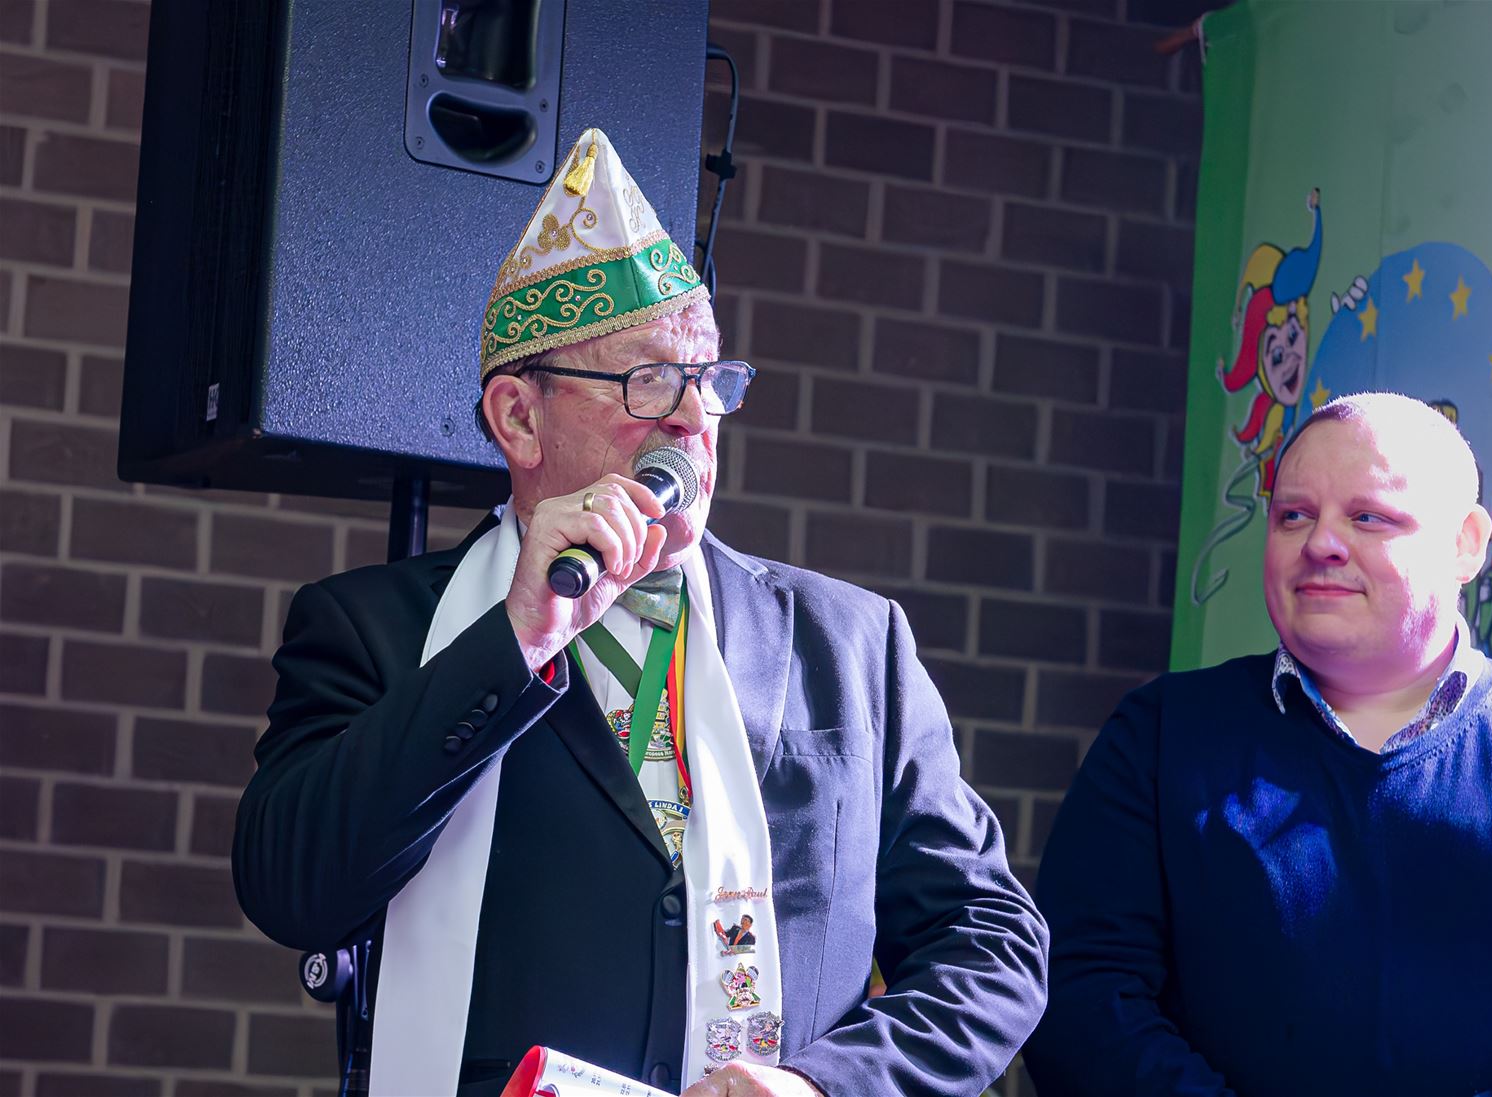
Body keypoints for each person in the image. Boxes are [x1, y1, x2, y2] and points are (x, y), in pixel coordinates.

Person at [233, 128, 1046, 1097]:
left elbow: (993, 945)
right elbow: (293, 888)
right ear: (519, 417)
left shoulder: (848, 643)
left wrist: (827, 1084)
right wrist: (513, 639)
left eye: (709, 380)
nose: (695, 419)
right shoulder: (375, 629)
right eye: (649, 380)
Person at [1024, 391, 1492, 1096]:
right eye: (1293, 515)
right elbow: (1080, 993)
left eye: (1368, 516)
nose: (1320, 543)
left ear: (1465, 543)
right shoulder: (1163, 735)